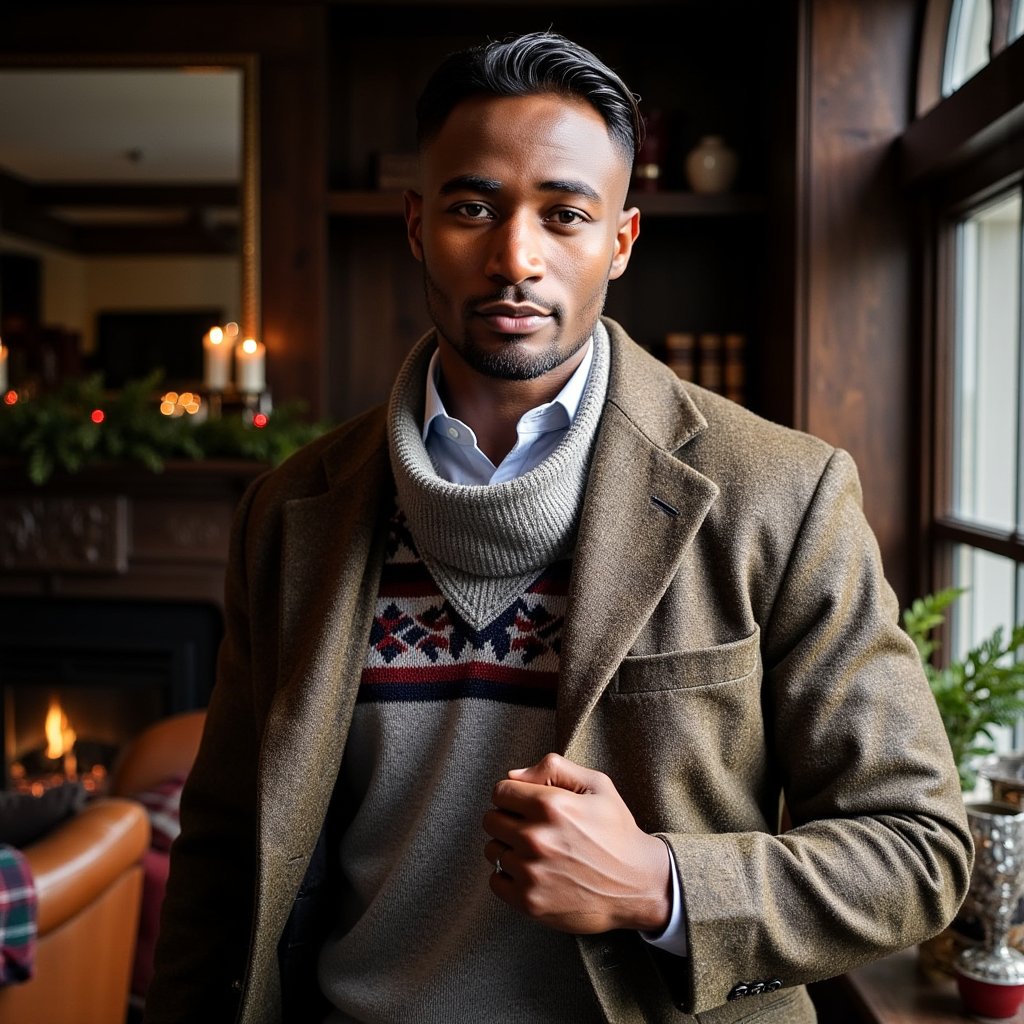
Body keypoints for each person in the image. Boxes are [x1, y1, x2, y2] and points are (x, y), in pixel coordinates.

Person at [145, 29, 973, 1024]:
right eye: (470, 207)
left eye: (564, 214)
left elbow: (917, 850)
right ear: (416, 225)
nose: (513, 257)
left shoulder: (780, 494)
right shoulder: (290, 514)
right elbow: (225, 855)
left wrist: (659, 886)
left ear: (619, 242)